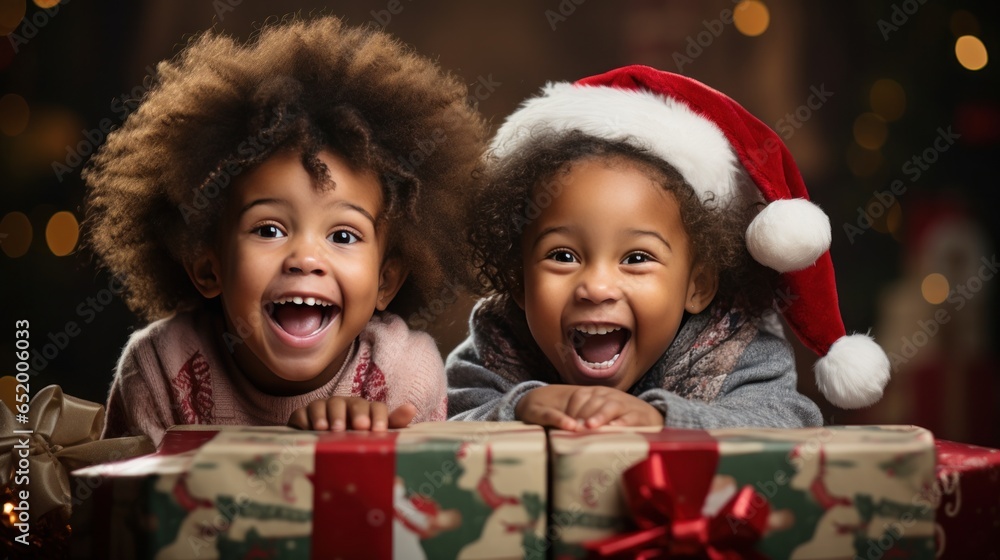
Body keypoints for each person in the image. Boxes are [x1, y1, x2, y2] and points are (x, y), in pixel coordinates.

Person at [84, 16, 487, 445]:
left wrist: (361, 445)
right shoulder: (160, 367)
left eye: (343, 236)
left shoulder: (404, 372)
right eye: (270, 230)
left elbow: (429, 503)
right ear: (208, 268)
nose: (305, 259)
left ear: (385, 280)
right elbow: (126, 506)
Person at [447, 65, 890, 430]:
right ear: (519, 280)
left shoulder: (733, 343)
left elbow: (787, 420)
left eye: (636, 258)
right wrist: (520, 406)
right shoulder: (499, 339)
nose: (596, 287)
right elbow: (445, 415)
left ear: (697, 285)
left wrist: (663, 418)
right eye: (563, 256)